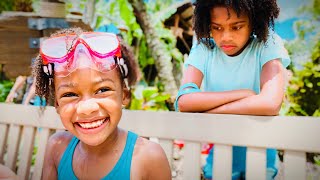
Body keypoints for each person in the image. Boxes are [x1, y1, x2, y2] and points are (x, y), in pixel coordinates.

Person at [33, 27, 171, 179]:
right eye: (70, 94)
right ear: (57, 104)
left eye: (102, 90)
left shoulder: (149, 158)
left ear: (124, 95)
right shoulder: (56, 147)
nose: (87, 108)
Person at [174, 0, 290, 179]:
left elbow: (270, 103)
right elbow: (184, 101)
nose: (225, 36)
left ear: (254, 21)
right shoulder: (205, 49)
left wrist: (209, 111)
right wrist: (244, 95)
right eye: (217, 27)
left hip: (261, 160)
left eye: (236, 27)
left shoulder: (267, 43)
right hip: (219, 160)